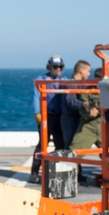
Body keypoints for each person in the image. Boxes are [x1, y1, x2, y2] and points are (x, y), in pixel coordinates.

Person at [29, 55, 66, 183]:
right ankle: (34, 172)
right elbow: (35, 96)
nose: (58, 69)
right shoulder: (42, 80)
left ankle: (57, 171)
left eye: (60, 67)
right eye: (55, 67)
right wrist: (37, 113)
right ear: (50, 67)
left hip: (60, 117)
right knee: (42, 145)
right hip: (46, 117)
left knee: (60, 145)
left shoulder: (64, 80)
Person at [61, 59, 91, 149]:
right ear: (81, 71)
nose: (89, 74)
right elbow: (70, 101)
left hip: (79, 117)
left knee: (77, 145)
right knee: (70, 144)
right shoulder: (70, 84)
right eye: (88, 71)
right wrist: (84, 104)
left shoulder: (82, 85)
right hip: (70, 119)